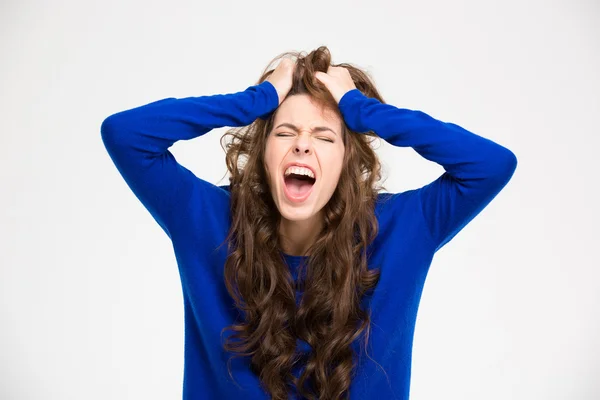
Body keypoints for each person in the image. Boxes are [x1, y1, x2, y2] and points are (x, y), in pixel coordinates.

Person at [100, 46, 517, 400]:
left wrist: (363, 110)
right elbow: (125, 134)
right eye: (285, 132)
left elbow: (491, 165)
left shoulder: (402, 227)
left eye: (324, 136)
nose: (302, 143)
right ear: (263, 153)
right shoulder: (206, 219)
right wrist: (254, 101)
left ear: (346, 162)